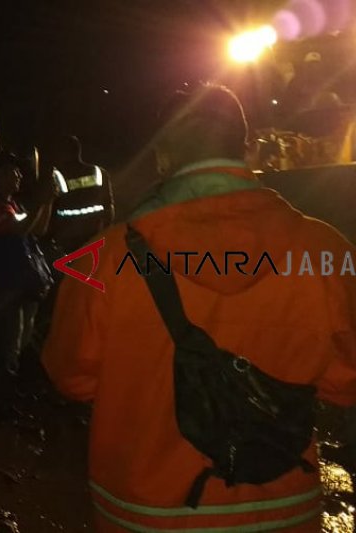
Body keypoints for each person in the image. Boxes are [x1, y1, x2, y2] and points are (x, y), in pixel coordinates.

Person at [41, 83, 356, 531]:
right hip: (281, 511)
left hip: (144, 511)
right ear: (246, 149)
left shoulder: (102, 260)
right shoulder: (324, 251)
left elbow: (70, 376)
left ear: (163, 157)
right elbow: (345, 382)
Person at [0, 151, 57, 409]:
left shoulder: (13, 205)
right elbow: (20, 229)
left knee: (20, 340)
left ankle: (11, 394)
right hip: (7, 285)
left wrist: (48, 202)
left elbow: (39, 229)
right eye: (13, 171)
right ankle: (2, 400)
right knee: (9, 344)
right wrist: (41, 202)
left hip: (22, 284)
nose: (19, 175)